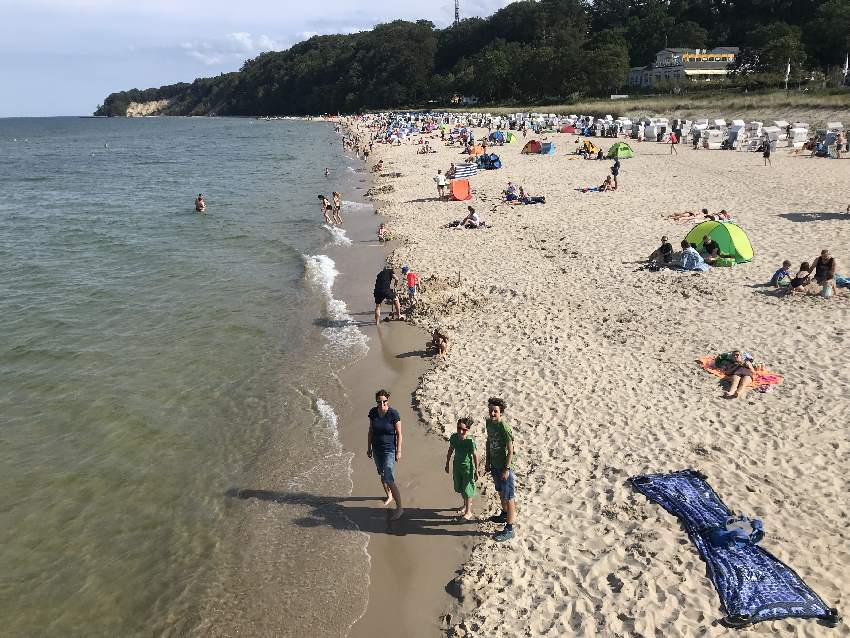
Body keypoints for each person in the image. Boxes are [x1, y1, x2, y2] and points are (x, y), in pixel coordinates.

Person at [367, 389, 404, 520]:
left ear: (388, 400)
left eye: (384, 401)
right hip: (377, 450)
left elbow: (399, 434)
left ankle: (400, 508)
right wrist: (369, 448)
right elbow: (371, 430)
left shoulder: (393, 414)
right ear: (376, 401)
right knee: (382, 475)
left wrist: (399, 451)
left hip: (390, 450)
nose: (382, 404)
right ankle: (389, 495)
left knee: (388, 477)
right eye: (379, 401)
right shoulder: (373, 412)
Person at [485, 397, 516, 542]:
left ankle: (510, 529)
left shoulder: (505, 427)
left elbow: (510, 451)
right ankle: (504, 514)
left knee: (509, 498)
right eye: (491, 410)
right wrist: (487, 461)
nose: (492, 413)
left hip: (505, 467)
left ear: (501, 413)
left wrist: (506, 469)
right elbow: (488, 442)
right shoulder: (488, 423)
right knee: (500, 492)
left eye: (495, 411)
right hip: (494, 465)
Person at [445, 417, 480, 520]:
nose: (461, 431)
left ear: (468, 430)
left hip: (468, 468)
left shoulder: (470, 441)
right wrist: (447, 463)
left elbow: (475, 456)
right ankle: (465, 506)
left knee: (467, 490)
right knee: (460, 488)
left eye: (464, 430)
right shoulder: (454, 437)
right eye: (459, 428)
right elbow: (450, 450)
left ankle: (468, 512)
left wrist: (477, 471)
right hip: (457, 467)